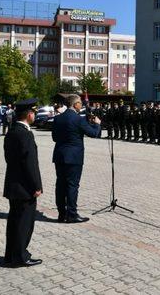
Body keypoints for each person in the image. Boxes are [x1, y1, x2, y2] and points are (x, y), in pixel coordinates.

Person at [3, 98, 43, 267]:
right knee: (23, 224)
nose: (34, 114)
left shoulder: (12, 131)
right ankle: (20, 257)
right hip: (25, 187)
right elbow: (30, 163)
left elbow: (9, 158)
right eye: (33, 112)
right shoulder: (25, 134)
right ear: (28, 114)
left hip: (14, 184)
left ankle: (11, 254)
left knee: (14, 222)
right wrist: (36, 186)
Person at [52, 94, 101, 223]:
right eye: (80, 102)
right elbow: (93, 133)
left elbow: (54, 138)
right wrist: (97, 124)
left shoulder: (58, 118)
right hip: (73, 157)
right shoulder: (78, 119)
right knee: (72, 185)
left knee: (60, 185)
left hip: (60, 155)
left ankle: (61, 214)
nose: (82, 104)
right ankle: (72, 214)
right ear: (75, 105)